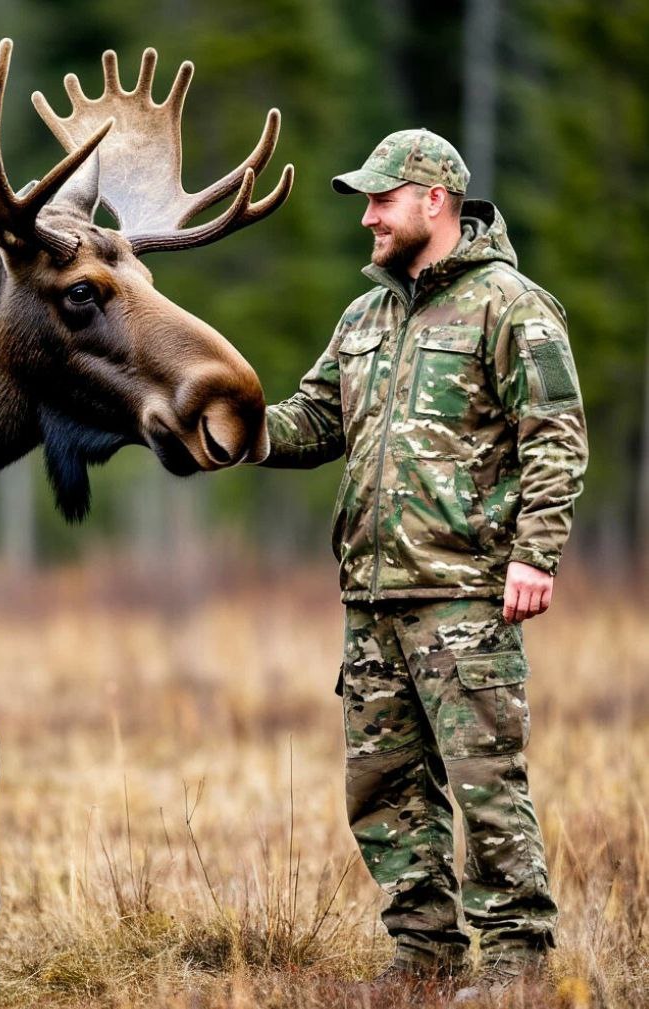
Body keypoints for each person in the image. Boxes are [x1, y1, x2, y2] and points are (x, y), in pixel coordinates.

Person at [261, 129, 588, 1000]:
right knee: (383, 787)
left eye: (381, 198)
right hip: (370, 599)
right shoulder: (363, 316)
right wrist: (237, 426)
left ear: (433, 199)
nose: (366, 216)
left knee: (484, 783)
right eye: (365, 201)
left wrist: (535, 555)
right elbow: (312, 422)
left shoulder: (510, 306)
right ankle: (423, 955)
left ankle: (517, 960)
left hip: (465, 597)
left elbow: (554, 437)